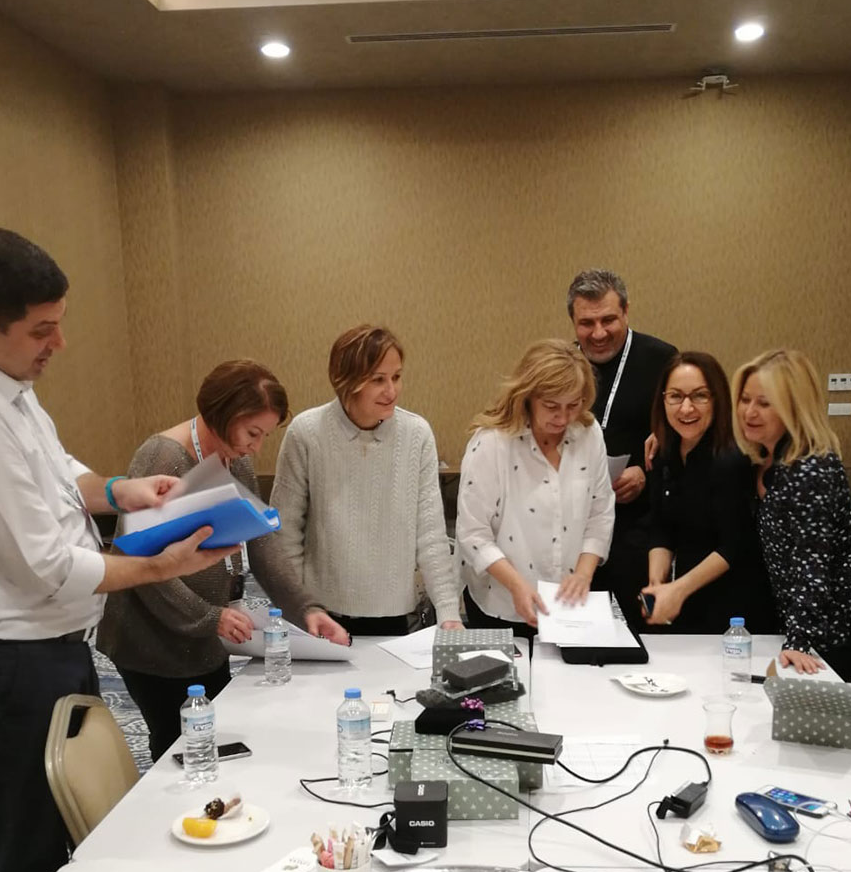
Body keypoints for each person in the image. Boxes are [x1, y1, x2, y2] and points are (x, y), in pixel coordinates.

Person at [0, 228, 233, 872]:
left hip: (41, 646)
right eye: (42, 330)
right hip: (1, 659)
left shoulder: (1, 381)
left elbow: (55, 469)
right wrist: (164, 565)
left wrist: (117, 489)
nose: (60, 343)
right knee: (30, 854)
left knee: (76, 827)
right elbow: (47, 568)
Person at [96, 361, 349, 761]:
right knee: (178, 748)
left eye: (264, 435)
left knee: (215, 739)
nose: (257, 446)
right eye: (253, 433)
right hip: (151, 642)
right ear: (224, 414)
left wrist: (306, 609)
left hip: (204, 635)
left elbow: (261, 540)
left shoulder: (235, 457)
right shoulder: (163, 457)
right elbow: (141, 565)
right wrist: (207, 616)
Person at [270, 325, 463, 634]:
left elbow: (431, 535)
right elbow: (285, 533)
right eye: (378, 380)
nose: (392, 391)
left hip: (394, 614)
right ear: (347, 381)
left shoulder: (416, 434)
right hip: (321, 613)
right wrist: (295, 608)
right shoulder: (306, 433)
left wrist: (448, 611)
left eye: (396, 377)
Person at [732, 348, 851, 682]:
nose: (750, 412)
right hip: (796, 609)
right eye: (745, 399)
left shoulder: (812, 468)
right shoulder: (763, 456)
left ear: (794, 407)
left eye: (765, 403)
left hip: (835, 620)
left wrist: (799, 640)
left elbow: (813, 563)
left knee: (815, 705)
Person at [455, 339, 616, 636]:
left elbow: (600, 512)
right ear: (527, 396)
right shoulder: (492, 443)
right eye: (551, 406)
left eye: (573, 405)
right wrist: (516, 585)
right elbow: (473, 533)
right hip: (501, 603)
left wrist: (584, 574)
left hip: (567, 605)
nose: (563, 418)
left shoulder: (588, 433)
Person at [566, 269, 677, 622]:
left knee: (640, 625)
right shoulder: (563, 366)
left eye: (608, 320)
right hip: (573, 526)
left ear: (626, 311)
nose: (598, 333)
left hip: (637, 524)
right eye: (586, 323)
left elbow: (683, 438)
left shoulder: (662, 359)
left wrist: (646, 472)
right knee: (575, 626)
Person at [642, 352, 777, 634]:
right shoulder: (663, 451)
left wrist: (678, 589)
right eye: (675, 396)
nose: (686, 408)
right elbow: (661, 527)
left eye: (700, 396)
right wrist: (657, 583)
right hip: (690, 592)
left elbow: (734, 545)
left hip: (738, 601)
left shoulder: (732, 458)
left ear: (718, 399)